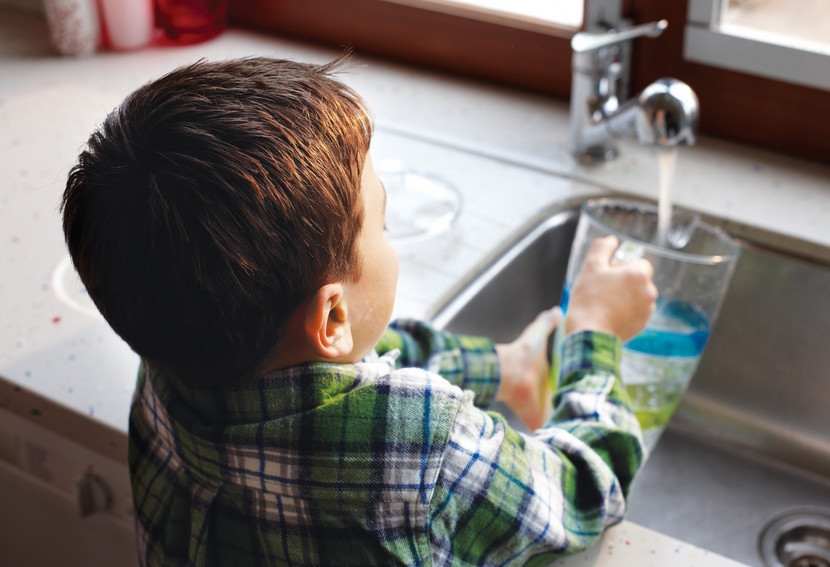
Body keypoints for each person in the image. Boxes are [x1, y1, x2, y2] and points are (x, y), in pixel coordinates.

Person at [61, 56, 657, 566]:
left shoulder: (167, 359)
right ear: (332, 318)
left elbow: (349, 360)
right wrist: (593, 332)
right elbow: (582, 490)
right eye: (385, 223)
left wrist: (508, 365)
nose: (389, 235)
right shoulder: (424, 452)